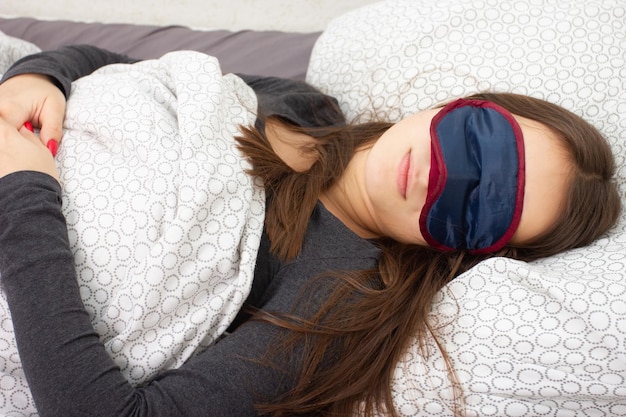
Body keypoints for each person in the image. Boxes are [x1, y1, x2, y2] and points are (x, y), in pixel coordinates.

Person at [0, 45, 621, 417]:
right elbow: (115, 64)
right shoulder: (302, 103)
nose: (445, 175)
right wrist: (39, 75)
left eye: (482, 205)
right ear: (466, 104)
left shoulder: (334, 305)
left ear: (469, 254)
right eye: (478, 143)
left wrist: (23, 191)